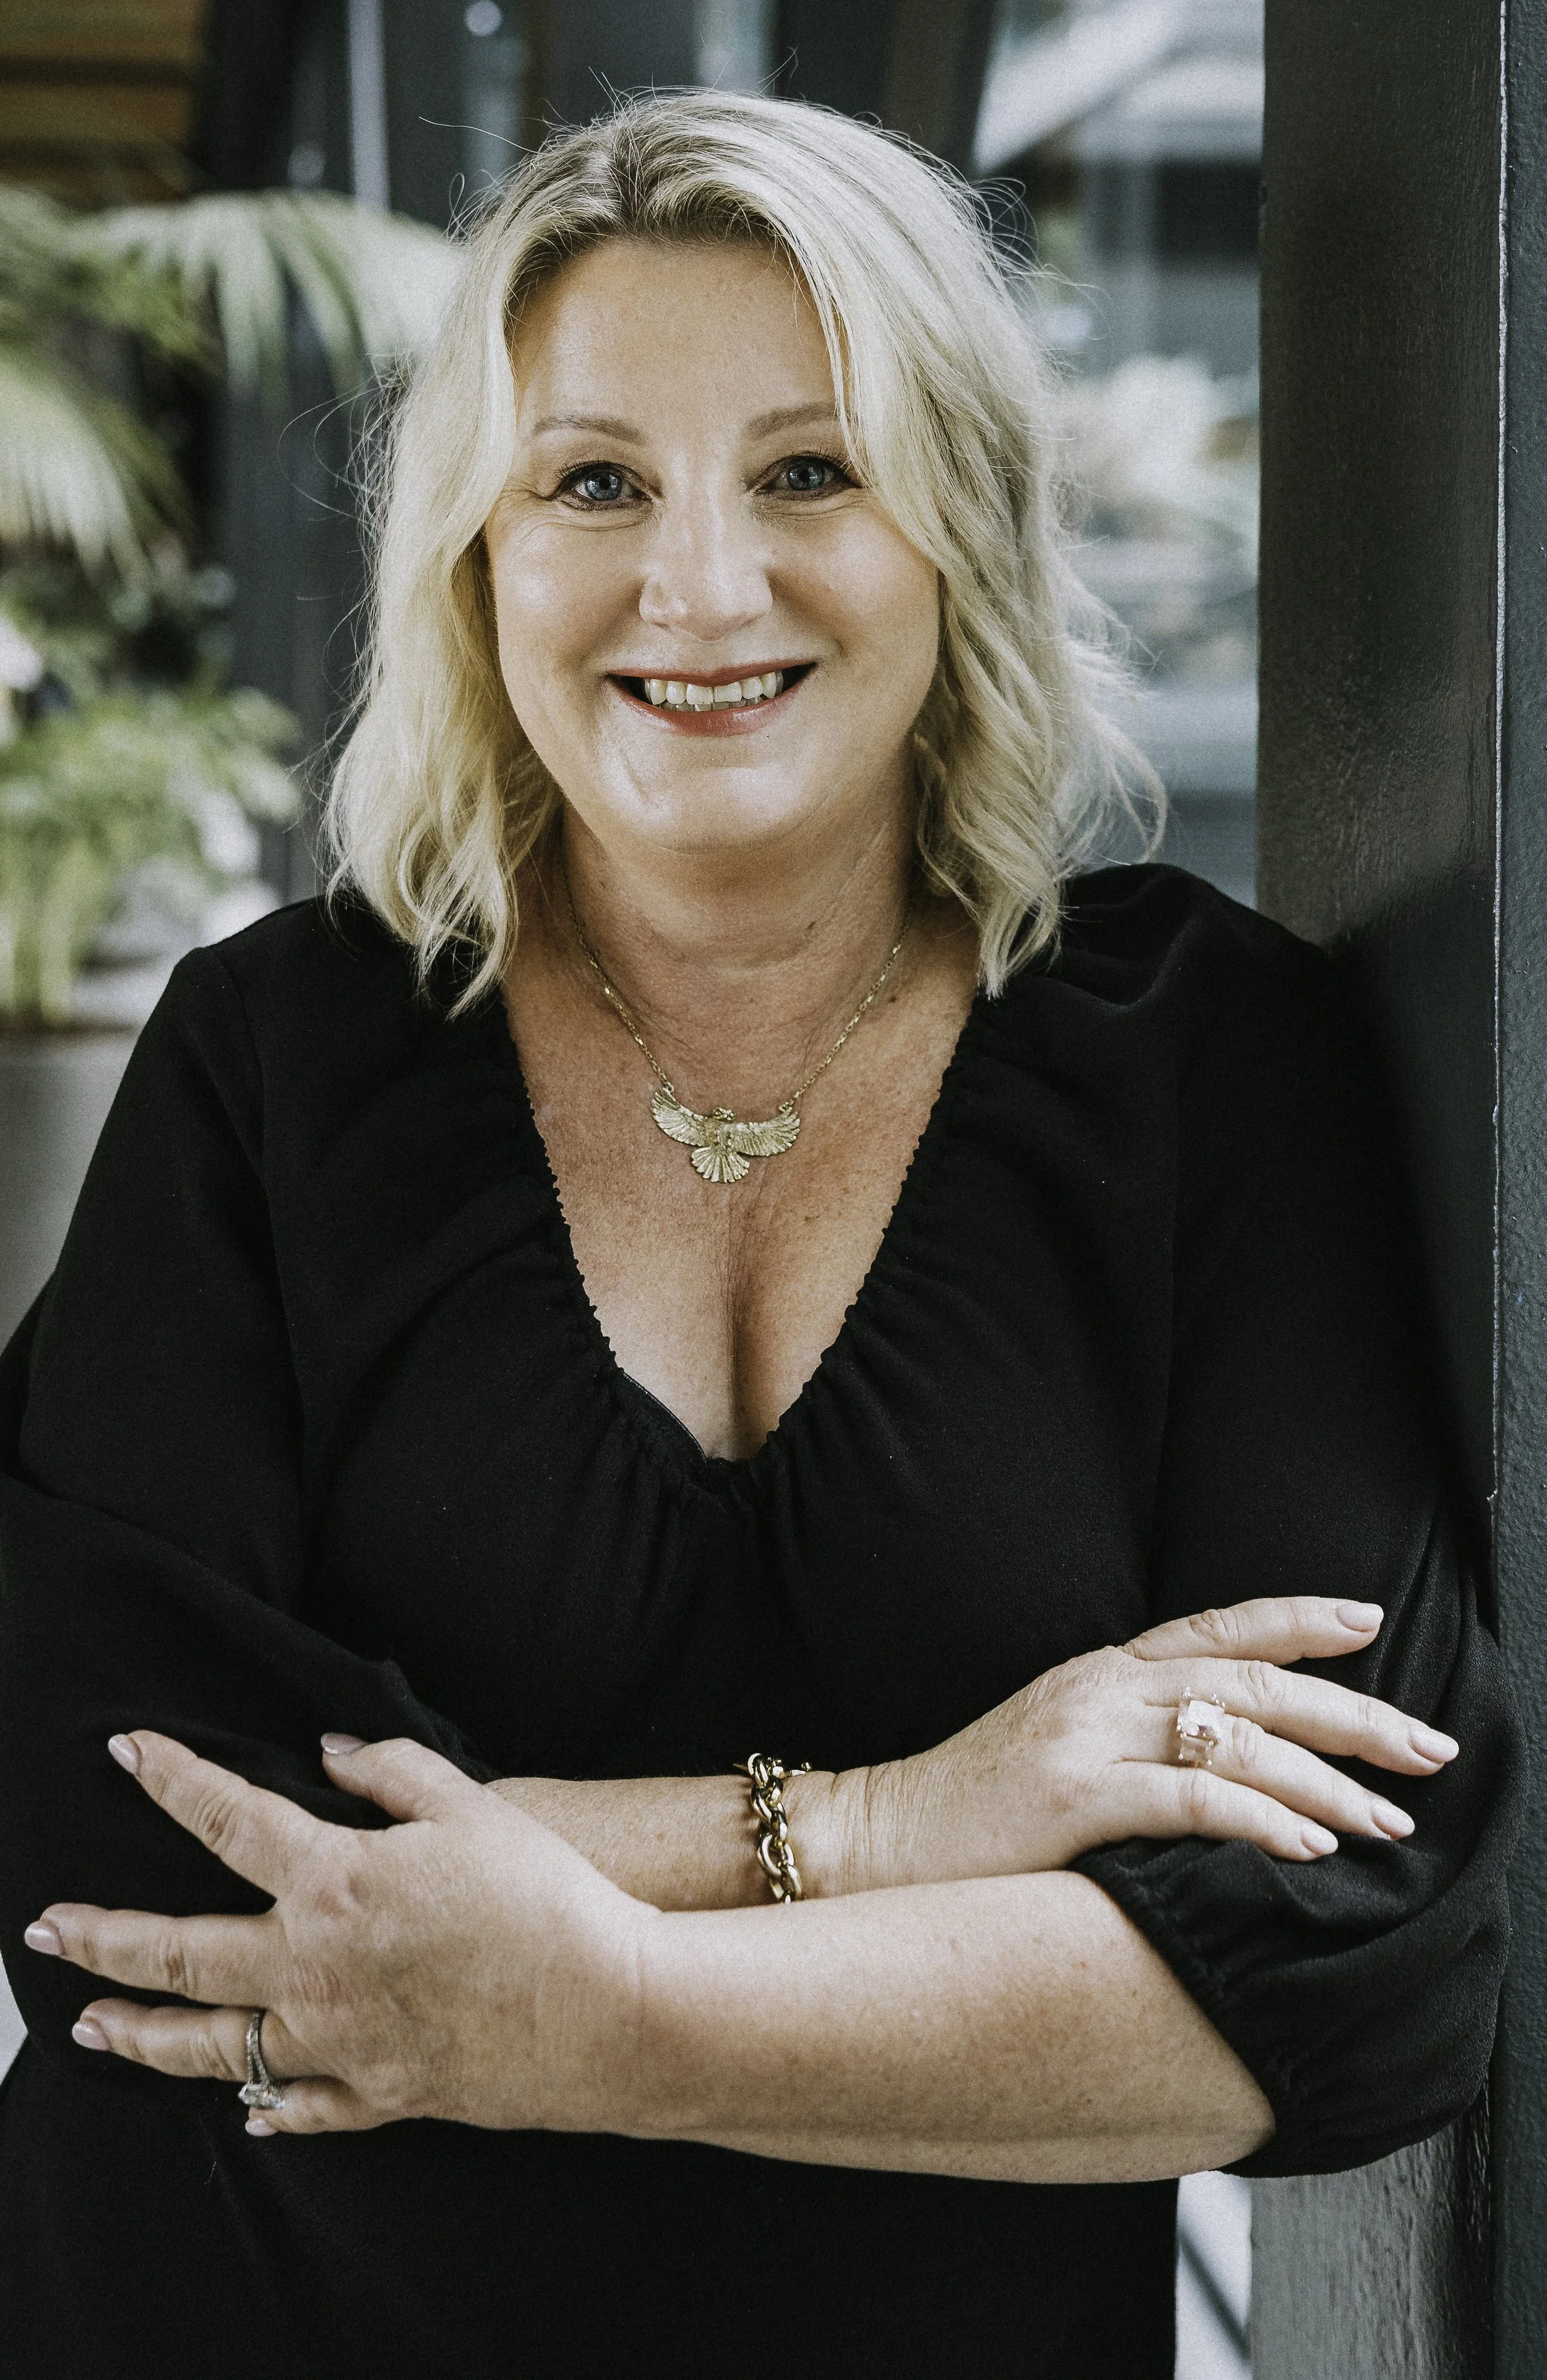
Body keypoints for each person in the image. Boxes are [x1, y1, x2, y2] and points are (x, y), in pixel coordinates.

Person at [0, 90, 1522, 2379]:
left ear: (958, 528)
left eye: (808, 470)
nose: (698, 589)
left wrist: (593, 2013)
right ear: (475, 557)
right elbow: (122, 1883)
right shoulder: (270, 1060)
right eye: (594, 480)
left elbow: (1356, 1959)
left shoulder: (1210, 1064)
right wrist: (908, 1820)